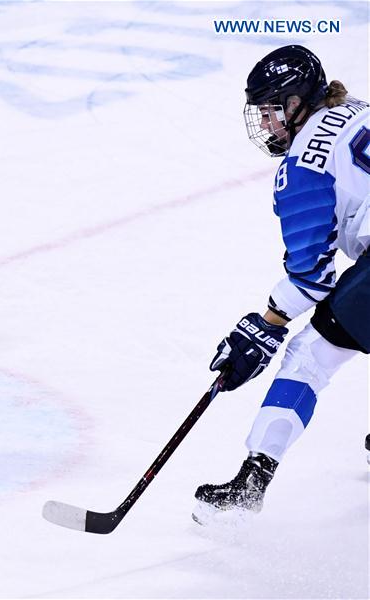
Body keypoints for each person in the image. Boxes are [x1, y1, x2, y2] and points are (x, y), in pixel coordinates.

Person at [193, 46, 369, 524]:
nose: (267, 124)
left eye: (272, 110)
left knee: (312, 354)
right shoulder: (356, 110)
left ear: (296, 104)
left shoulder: (303, 167)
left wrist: (264, 325)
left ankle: (251, 484)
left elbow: (312, 277)